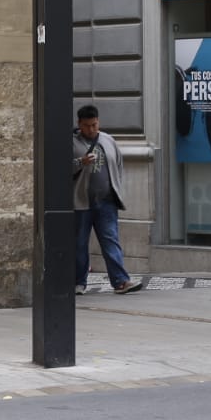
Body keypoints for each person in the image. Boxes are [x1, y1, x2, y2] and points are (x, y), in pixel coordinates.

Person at [74, 104, 142, 295]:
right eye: (87, 126)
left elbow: (118, 165)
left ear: (98, 122)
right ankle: (78, 282)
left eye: (94, 125)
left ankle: (120, 281)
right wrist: (80, 162)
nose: (91, 129)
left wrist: (115, 190)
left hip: (106, 202)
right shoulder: (72, 143)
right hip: (81, 202)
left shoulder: (108, 140)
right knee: (79, 243)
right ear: (79, 124)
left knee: (111, 240)